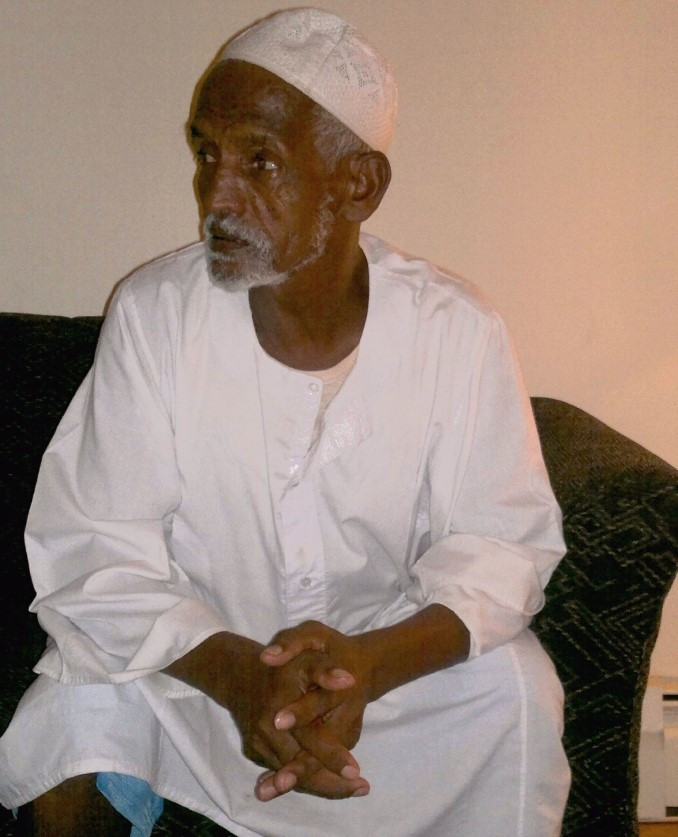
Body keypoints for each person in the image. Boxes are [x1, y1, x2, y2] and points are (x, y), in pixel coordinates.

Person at [0, 8, 570, 836]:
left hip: (382, 677)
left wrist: (364, 670)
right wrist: (240, 675)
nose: (215, 198)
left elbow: (503, 547)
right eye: (206, 154)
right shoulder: (156, 313)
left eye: (257, 159)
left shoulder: (457, 329)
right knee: (74, 706)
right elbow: (94, 547)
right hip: (191, 666)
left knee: (514, 688)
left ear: (358, 184)